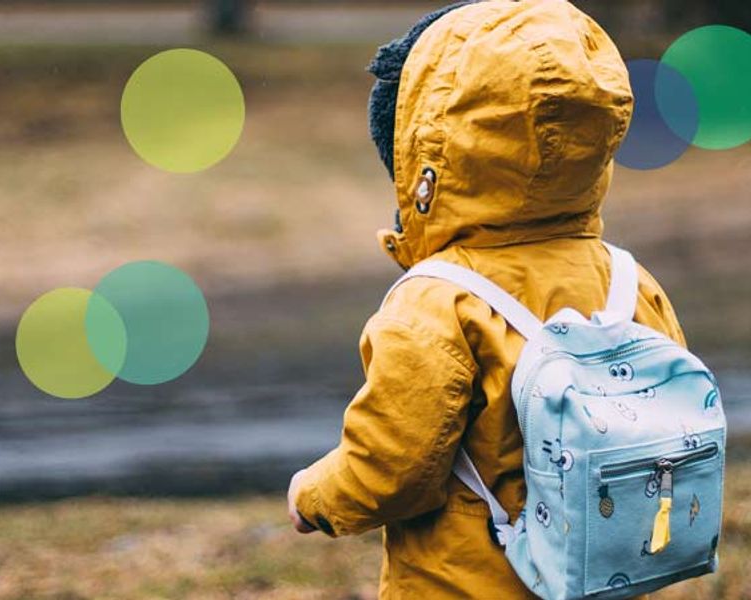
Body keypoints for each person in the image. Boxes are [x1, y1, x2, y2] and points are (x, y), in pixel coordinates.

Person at [286, 1, 685, 597]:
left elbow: (393, 466)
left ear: (428, 151)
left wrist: (313, 496)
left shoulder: (437, 303)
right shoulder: (630, 281)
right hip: (603, 579)